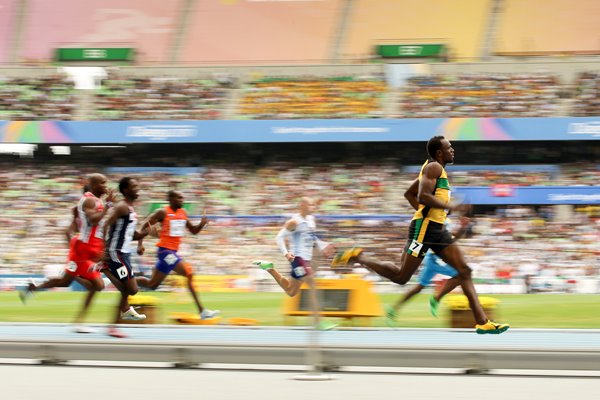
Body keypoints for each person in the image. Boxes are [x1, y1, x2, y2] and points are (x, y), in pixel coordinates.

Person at [332, 136, 509, 334]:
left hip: (436, 229)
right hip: (424, 231)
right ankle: (358, 257)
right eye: (449, 148)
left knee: (465, 271)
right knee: (401, 277)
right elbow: (421, 196)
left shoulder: (433, 169)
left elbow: (409, 194)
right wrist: (450, 206)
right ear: (439, 153)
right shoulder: (433, 168)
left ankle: (482, 321)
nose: (453, 150)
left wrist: (435, 212)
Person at [19, 175, 115, 334]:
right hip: (82, 250)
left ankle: (35, 287)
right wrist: (73, 247)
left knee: (65, 282)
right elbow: (88, 222)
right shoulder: (89, 202)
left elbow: (93, 227)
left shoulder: (96, 202)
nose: (106, 186)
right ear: (93, 186)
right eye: (103, 183)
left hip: (87, 250)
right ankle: (79, 322)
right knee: (98, 285)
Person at [254, 197, 337, 330]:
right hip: (298, 259)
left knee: (291, 292)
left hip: (306, 260)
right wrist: (286, 253)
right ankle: (318, 321)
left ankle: (270, 268)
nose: (313, 207)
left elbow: (311, 237)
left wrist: (324, 246)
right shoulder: (294, 222)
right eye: (310, 205)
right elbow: (279, 237)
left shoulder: (311, 220)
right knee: (313, 285)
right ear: (302, 206)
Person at [136, 190, 219, 320]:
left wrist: (201, 225)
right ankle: (202, 311)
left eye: (182, 198)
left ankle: (123, 281)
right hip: (164, 252)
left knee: (152, 285)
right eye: (179, 198)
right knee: (189, 273)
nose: (182, 200)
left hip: (172, 253)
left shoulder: (183, 213)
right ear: (171, 199)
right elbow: (144, 226)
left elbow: (193, 231)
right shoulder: (162, 212)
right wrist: (139, 244)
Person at [385, 217, 470, 325]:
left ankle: (393, 310)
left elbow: (451, 239)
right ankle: (436, 299)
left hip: (432, 258)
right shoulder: (435, 218)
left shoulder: (445, 219)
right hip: (434, 258)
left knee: (419, 287)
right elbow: (438, 239)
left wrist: (462, 229)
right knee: (460, 275)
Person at [102, 177, 148, 338]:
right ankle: (105, 269)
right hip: (115, 253)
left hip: (125, 253)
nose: (138, 188)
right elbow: (105, 225)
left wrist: (143, 236)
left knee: (126, 289)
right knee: (132, 289)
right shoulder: (122, 207)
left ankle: (113, 326)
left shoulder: (131, 210)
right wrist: (102, 250)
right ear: (126, 190)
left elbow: (130, 234)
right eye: (135, 186)